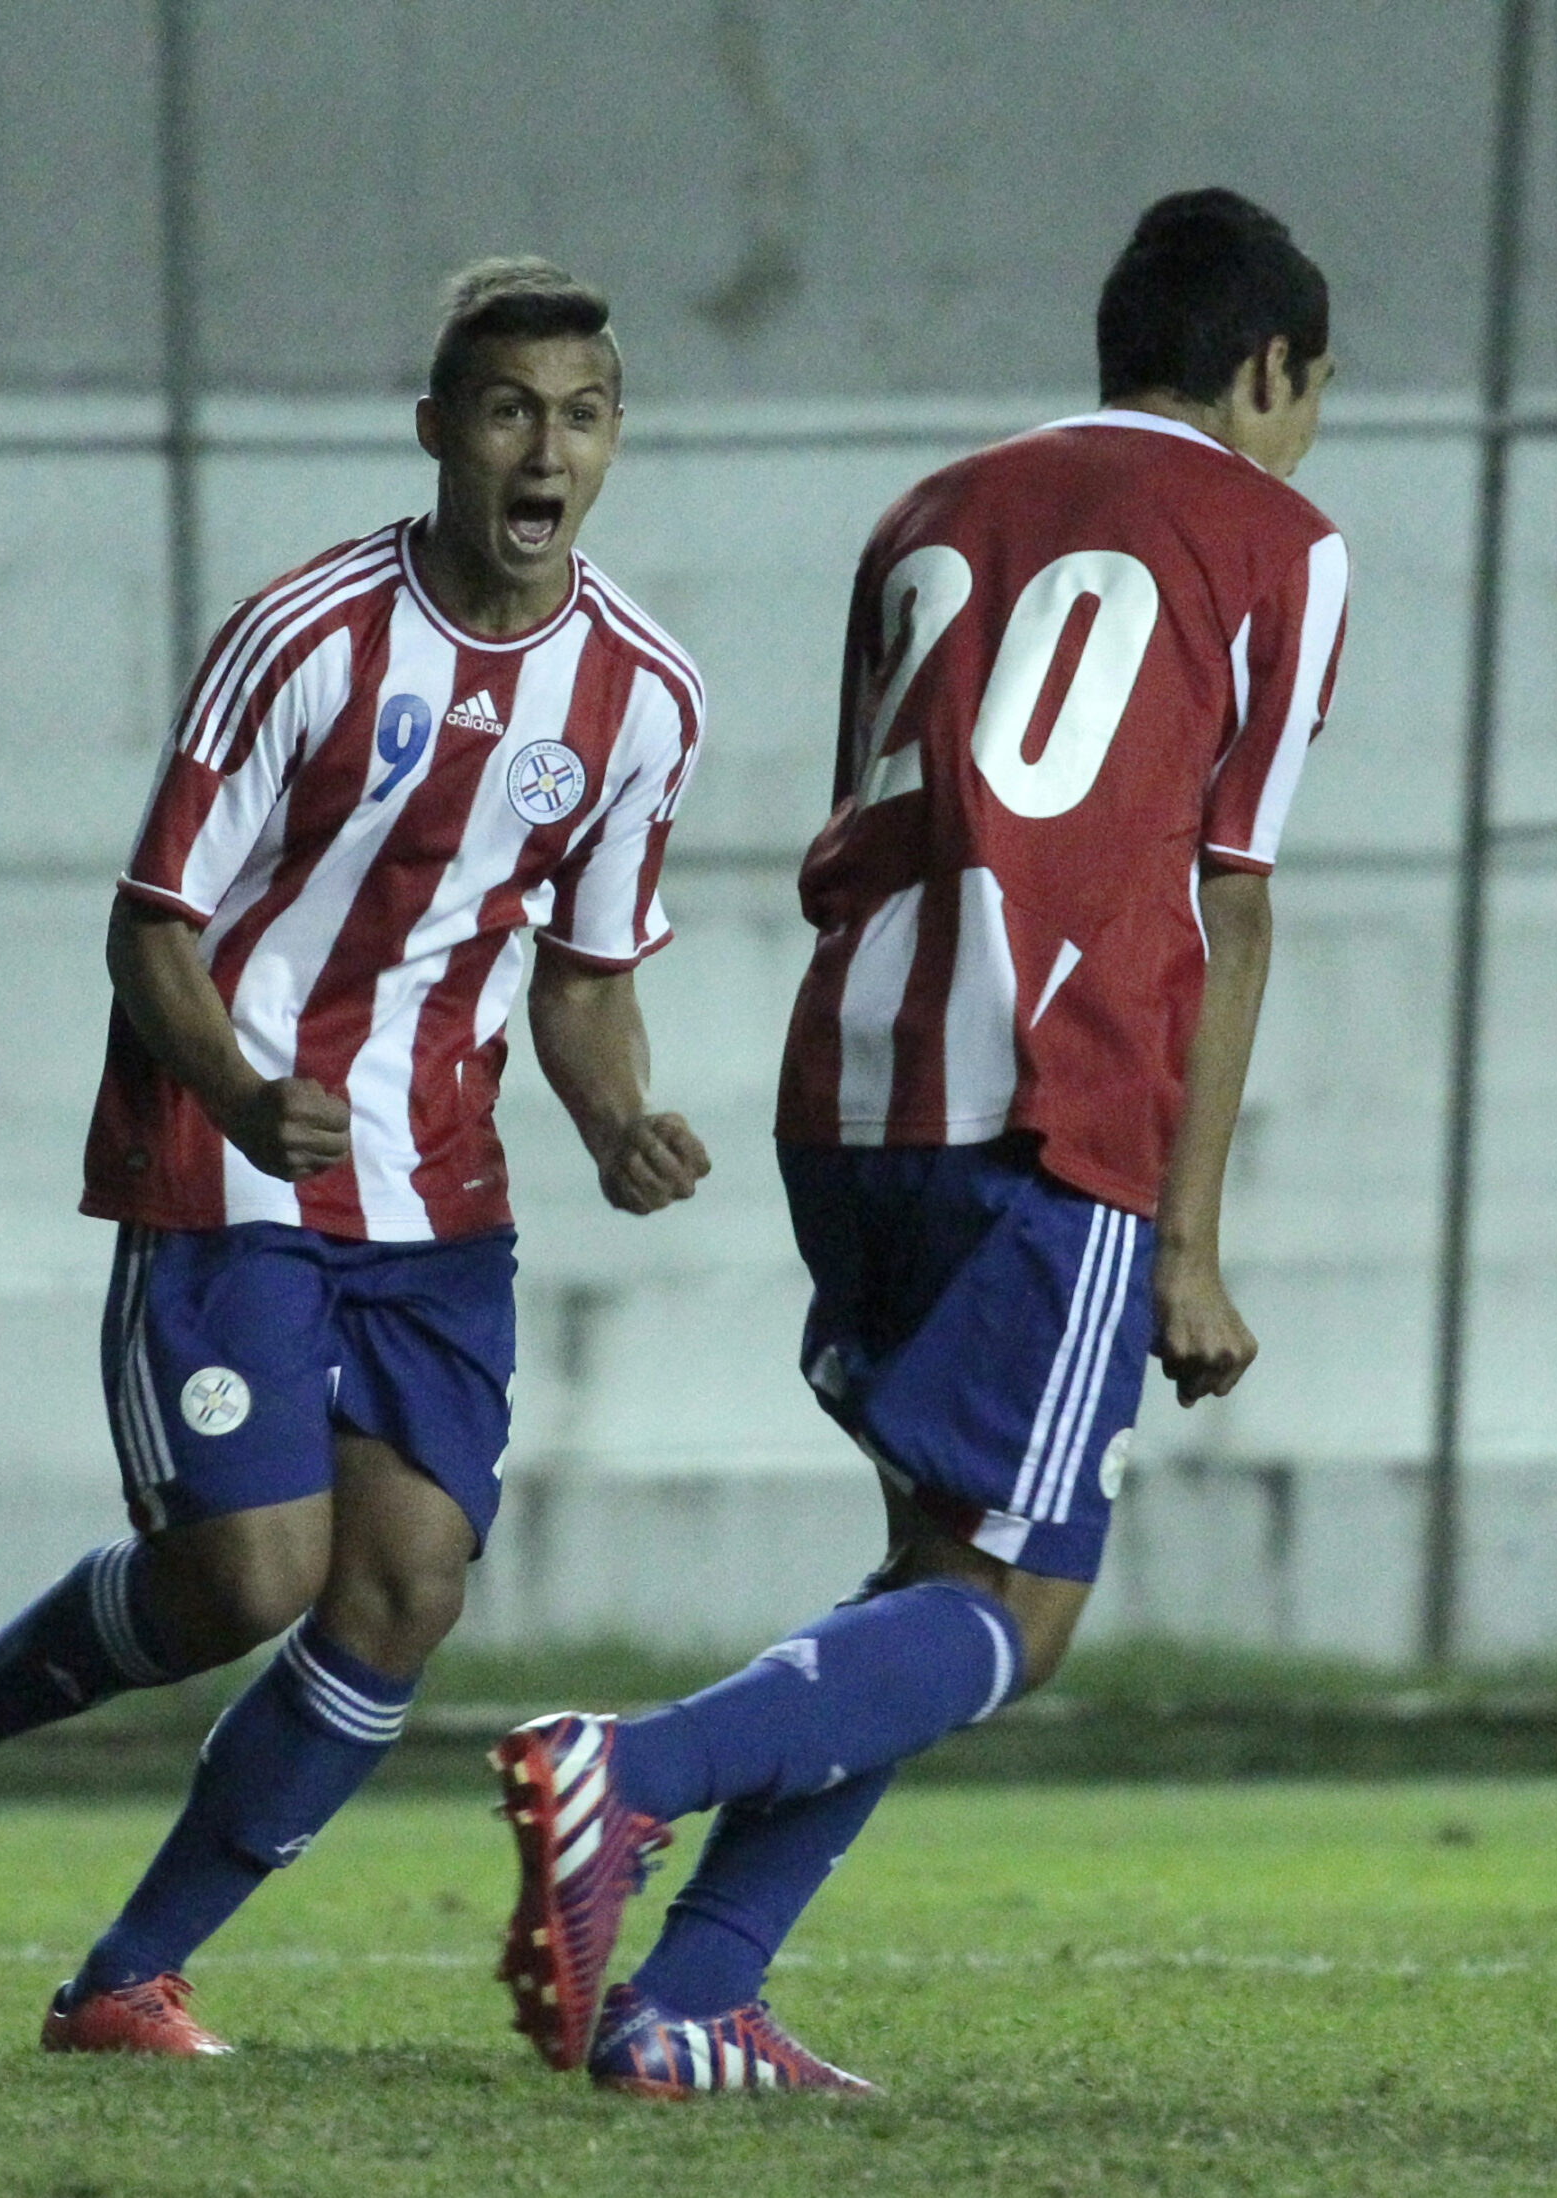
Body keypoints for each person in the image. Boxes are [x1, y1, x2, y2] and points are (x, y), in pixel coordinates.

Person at [491, 188, 1350, 2097]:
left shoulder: (930, 510)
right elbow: (1232, 896)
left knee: (928, 1570)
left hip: (852, 1082)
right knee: (1017, 1610)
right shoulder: (1282, 537)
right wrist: (1190, 1242)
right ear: (1269, 366)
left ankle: (696, 1994)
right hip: (1053, 1099)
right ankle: (620, 1771)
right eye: (1307, 397)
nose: (1305, 436)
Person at [0, 257, 711, 2055]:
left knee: (408, 1586)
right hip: (224, 1155)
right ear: (442, 432)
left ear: (615, 441)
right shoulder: (302, 639)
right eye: (512, 409)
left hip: (435, 1191)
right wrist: (232, 1089)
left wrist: (617, 1117)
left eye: (584, 413)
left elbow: (587, 978)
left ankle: (125, 1978)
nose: (548, 448)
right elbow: (152, 922)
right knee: (249, 1572)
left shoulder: (643, 696)